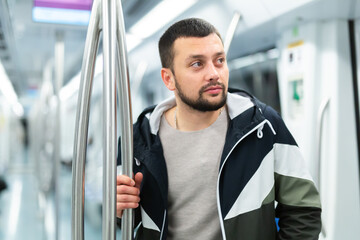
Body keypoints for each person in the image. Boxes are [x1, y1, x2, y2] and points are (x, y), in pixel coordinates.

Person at [116, 18, 321, 240]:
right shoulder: (137, 140)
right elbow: (129, 219)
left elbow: (304, 210)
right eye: (197, 64)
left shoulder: (262, 126)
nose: (214, 73)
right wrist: (118, 209)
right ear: (169, 78)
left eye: (220, 60)